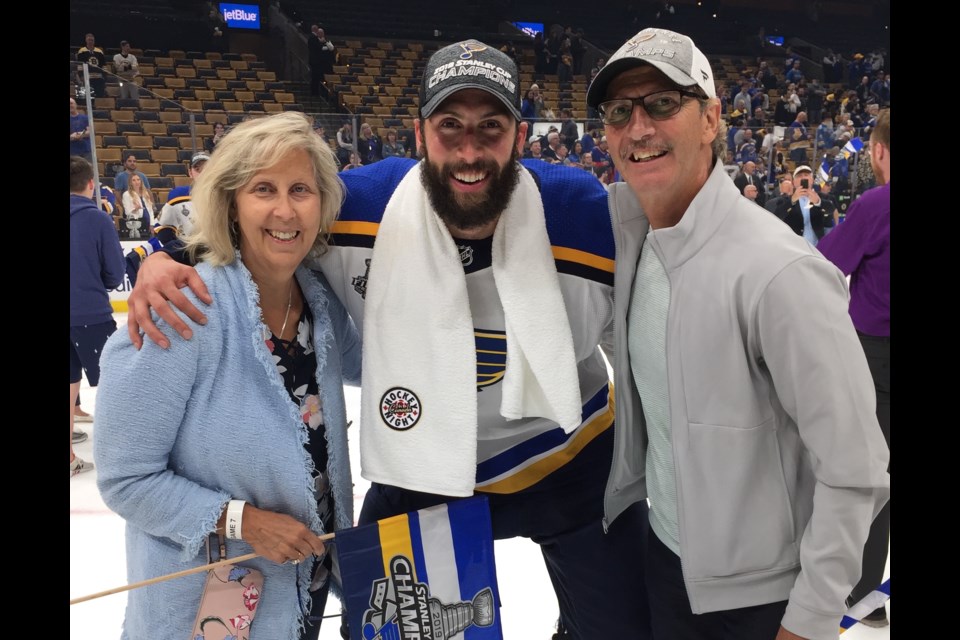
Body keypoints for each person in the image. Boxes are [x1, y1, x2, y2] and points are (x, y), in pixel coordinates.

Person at [124, 38, 651, 640]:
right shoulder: (359, 203)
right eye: (450, 125)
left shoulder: (583, 212)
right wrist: (165, 257)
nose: (470, 149)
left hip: (569, 459)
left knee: (629, 628)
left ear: (521, 137)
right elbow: (260, 217)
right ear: (420, 133)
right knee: (386, 630)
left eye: (491, 127)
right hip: (422, 467)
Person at [586, 27, 889, 640]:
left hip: (763, 597)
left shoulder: (782, 272)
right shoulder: (638, 242)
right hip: (670, 561)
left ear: (711, 119)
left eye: (663, 103)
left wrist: (808, 619)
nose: (638, 127)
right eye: (621, 111)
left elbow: (856, 467)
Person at [93, 112, 360, 640]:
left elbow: (384, 362)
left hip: (300, 597)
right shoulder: (181, 309)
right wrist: (243, 521)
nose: (285, 209)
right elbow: (125, 478)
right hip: (204, 614)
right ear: (232, 203)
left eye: (300, 189)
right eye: (264, 188)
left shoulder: (322, 304)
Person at [816, 108, 890, 629]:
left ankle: (859, 591)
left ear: (880, 152)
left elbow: (824, 266)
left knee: (869, 474)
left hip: (875, 356)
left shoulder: (875, 204)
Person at [70, 156, 124, 476]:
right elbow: (115, 274)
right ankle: (121, 452)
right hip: (90, 313)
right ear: (91, 185)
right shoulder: (98, 219)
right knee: (114, 382)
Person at [121, 173, 155, 240]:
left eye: (138, 180)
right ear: (130, 182)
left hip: (148, 221)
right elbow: (127, 212)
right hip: (136, 223)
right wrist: (135, 209)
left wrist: (152, 224)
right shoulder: (126, 194)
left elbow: (150, 210)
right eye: (133, 180)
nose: (136, 182)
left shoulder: (145, 193)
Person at [75, 33, 107, 98]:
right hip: (88, 77)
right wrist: (81, 76)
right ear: (86, 40)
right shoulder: (82, 51)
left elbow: (103, 65)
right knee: (89, 96)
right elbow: (80, 65)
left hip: (99, 77)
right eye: (89, 40)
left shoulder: (99, 51)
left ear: (94, 41)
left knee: (99, 96)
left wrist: (104, 76)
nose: (90, 41)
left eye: (92, 40)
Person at [308, 25, 336, 98]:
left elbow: (332, 48)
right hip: (317, 62)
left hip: (325, 63)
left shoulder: (325, 40)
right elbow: (318, 49)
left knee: (323, 79)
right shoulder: (313, 38)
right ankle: (315, 93)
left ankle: (325, 94)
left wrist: (326, 44)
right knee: (316, 78)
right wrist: (326, 47)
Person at [70, 97, 92, 162]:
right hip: (72, 152)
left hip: (86, 151)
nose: (70, 105)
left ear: (76, 105)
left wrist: (81, 134)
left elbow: (90, 132)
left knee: (88, 170)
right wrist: (72, 136)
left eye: (71, 103)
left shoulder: (85, 118)